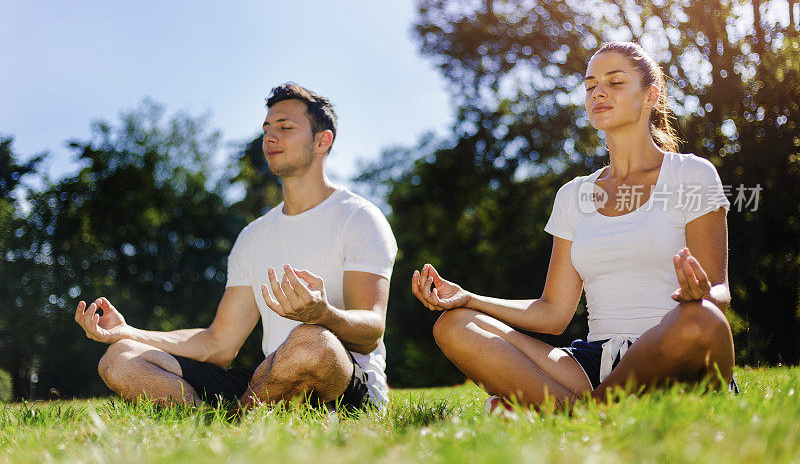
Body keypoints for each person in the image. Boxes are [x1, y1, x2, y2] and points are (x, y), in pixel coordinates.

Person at [411, 41, 736, 412]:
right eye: (590, 84)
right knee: (453, 326)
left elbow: (720, 290)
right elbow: (552, 313)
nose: (598, 91)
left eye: (615, 82)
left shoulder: (691, 174)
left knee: (702, 320)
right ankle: (591, 411)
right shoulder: (573, 195)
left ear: (651, 96)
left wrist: (702, 295)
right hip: (591, 364)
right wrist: (470, 299)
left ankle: (563, 410)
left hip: (677, 351)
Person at [75, 82, 397, 412]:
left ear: (322, 140)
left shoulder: (360, 218)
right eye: (267, 129)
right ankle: (216, 423)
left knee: (311, 340)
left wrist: (322, 314)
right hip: (271, 381)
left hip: (343, 385)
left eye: (285, 127)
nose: (270, 137)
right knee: (121, 357)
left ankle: (235, 425)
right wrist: (129, 332)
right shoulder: (254, 235)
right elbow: (219, 344)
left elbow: (371, 330)